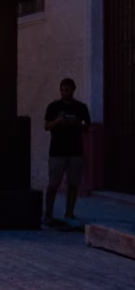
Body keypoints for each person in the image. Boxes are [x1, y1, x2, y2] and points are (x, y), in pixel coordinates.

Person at [44, 78, 91, 224]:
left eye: (68, 90)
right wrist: (58, 121)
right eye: (63, 90)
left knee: (73, 184)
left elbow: (86, 126)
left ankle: (69, 213)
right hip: (57, 152)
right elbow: (46, 126)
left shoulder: (81, 108)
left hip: (75, 151)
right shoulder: (53, 107)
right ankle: (49, 214)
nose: (65, 92)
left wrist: (75, 123)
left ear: (73, 90)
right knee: (53, 184)